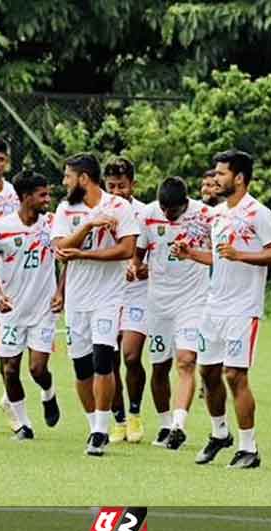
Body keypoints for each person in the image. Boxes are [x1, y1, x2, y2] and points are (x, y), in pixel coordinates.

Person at [181, 149, 271, 469]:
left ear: (239, 178)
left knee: (234, 374)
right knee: (208, 372)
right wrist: (191, 254)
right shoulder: (219, 215)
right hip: (214, 306)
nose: (215, 178)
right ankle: (219, 434)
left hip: (243, 308)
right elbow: (220, 258)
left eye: (222, 173)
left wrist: (242, 255)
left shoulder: (259, 213)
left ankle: (249, 449)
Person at [52, 153, 140, 456]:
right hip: (77, 299)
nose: (64, 182)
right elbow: (60, 248)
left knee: (104, 358)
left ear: (84, 178)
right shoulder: (66, 209)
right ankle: (93, 426)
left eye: (68, 176)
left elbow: (127, 249)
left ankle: (102, 429)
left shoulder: (119, 206)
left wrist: (85, 254)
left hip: (108, 297)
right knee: (81, 368)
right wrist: (89, 226)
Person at [134, 176, 212, 449]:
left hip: (193, 300)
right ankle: (165, 424)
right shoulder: (148, 215)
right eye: (164, 210)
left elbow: (221, 256)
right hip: (158, 302)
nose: (168, 215)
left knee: (187, 360)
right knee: (159, 366)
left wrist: (193, 254)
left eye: (174, 211)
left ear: (185, 203)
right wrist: (135, 267)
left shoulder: (205, 215)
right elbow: (139, 253)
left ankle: (179, 424)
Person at [0, 170, 64, 439]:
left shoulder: (52, 224)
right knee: (9, 368)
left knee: (37, 369)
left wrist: (61, 292)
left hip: (43, 309)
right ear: (25, 197)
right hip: (11, 310)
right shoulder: (1, 228)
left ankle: (48, 392)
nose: (47, 199)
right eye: (42, 195)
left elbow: (67, 258)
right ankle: (23, 424)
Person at [103, 157, 149, 444]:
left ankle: (134, 414)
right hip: (107, 294)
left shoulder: (146, 213)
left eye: (122, 185)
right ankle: (117, 419)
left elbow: (154, 254)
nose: (117, 191)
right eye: (111, 186)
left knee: (131, 356)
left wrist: (143, 268)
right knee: (108, 361)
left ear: (133, 184)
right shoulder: (99, 211)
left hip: (138, 294)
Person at [0, 137, 21, 433]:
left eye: (0, 159)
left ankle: (10, 400)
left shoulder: (13, 196)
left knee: (7, 350)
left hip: (5, 279)